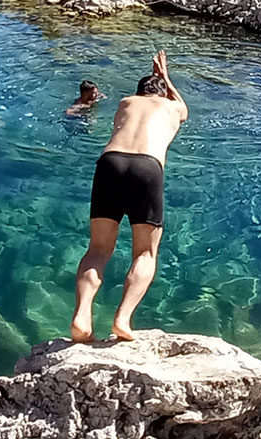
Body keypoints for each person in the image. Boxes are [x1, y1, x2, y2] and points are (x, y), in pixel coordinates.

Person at [70, 50, 188, 343]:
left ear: (138, 92)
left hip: (110, 162)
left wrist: (157, 79)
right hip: (147, 166)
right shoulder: (171, 108)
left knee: (98, 249)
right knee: (145, 253)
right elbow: (183, 109)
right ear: (163, 94)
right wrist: (167, 77)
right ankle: (122, 319)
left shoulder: (125, 103)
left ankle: (82, 315)